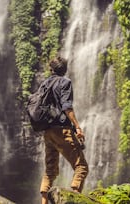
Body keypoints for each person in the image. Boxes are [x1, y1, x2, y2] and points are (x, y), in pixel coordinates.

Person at [40, 56, 89, 204]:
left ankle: (43, 202)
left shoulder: (45, 84)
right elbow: (67, 107)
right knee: (81, 167)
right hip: (62, 130)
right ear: (65, 69)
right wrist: (78, 127)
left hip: (48, 131)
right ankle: (73, 199)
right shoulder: (65, 82)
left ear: (52, 69)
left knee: (50, 170)